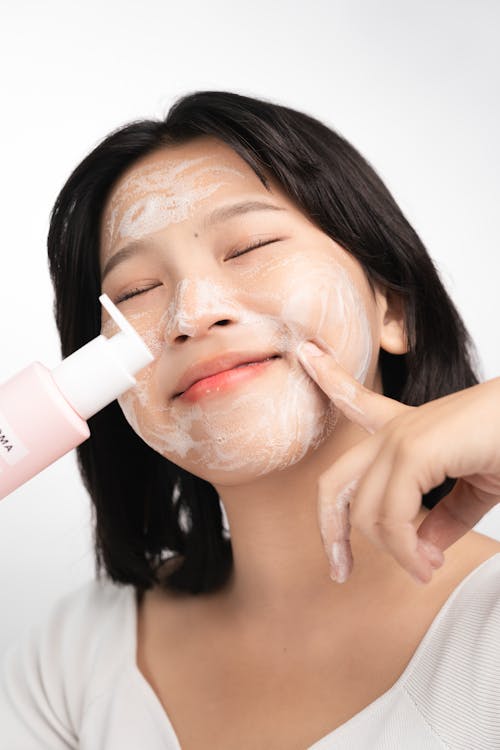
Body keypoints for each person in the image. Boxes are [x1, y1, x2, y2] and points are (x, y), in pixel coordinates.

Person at [1, 90, 500, 749]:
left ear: (394, 310)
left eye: (250, 247)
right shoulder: (75, 655)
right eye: (136, 293)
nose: (192, 312)